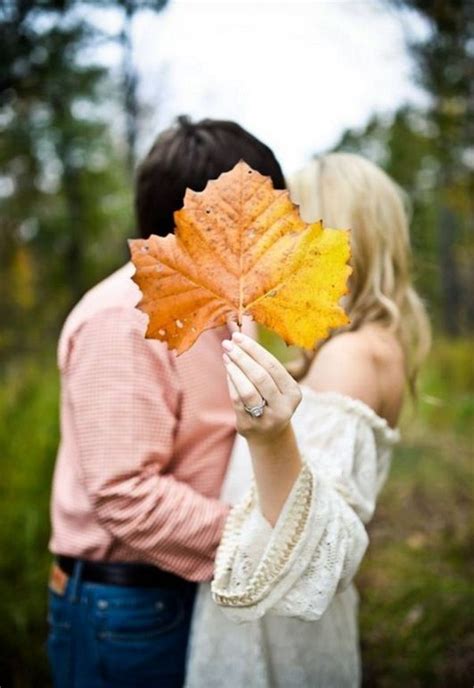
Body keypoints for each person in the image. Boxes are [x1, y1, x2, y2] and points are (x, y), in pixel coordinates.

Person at [46, 115, 285, 688]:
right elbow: (124, 493)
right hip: (127, 612)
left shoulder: (213, 314)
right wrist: (259, 542)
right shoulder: (125, 323)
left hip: (179, 592)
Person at [185, 153, 431, 688]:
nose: (274, 247)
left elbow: (324, 548)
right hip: (278, 616)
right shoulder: (359, 346)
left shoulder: (352, 357)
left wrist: (269, 437)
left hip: (277, 634)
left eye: (290, 228)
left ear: (340, 240)